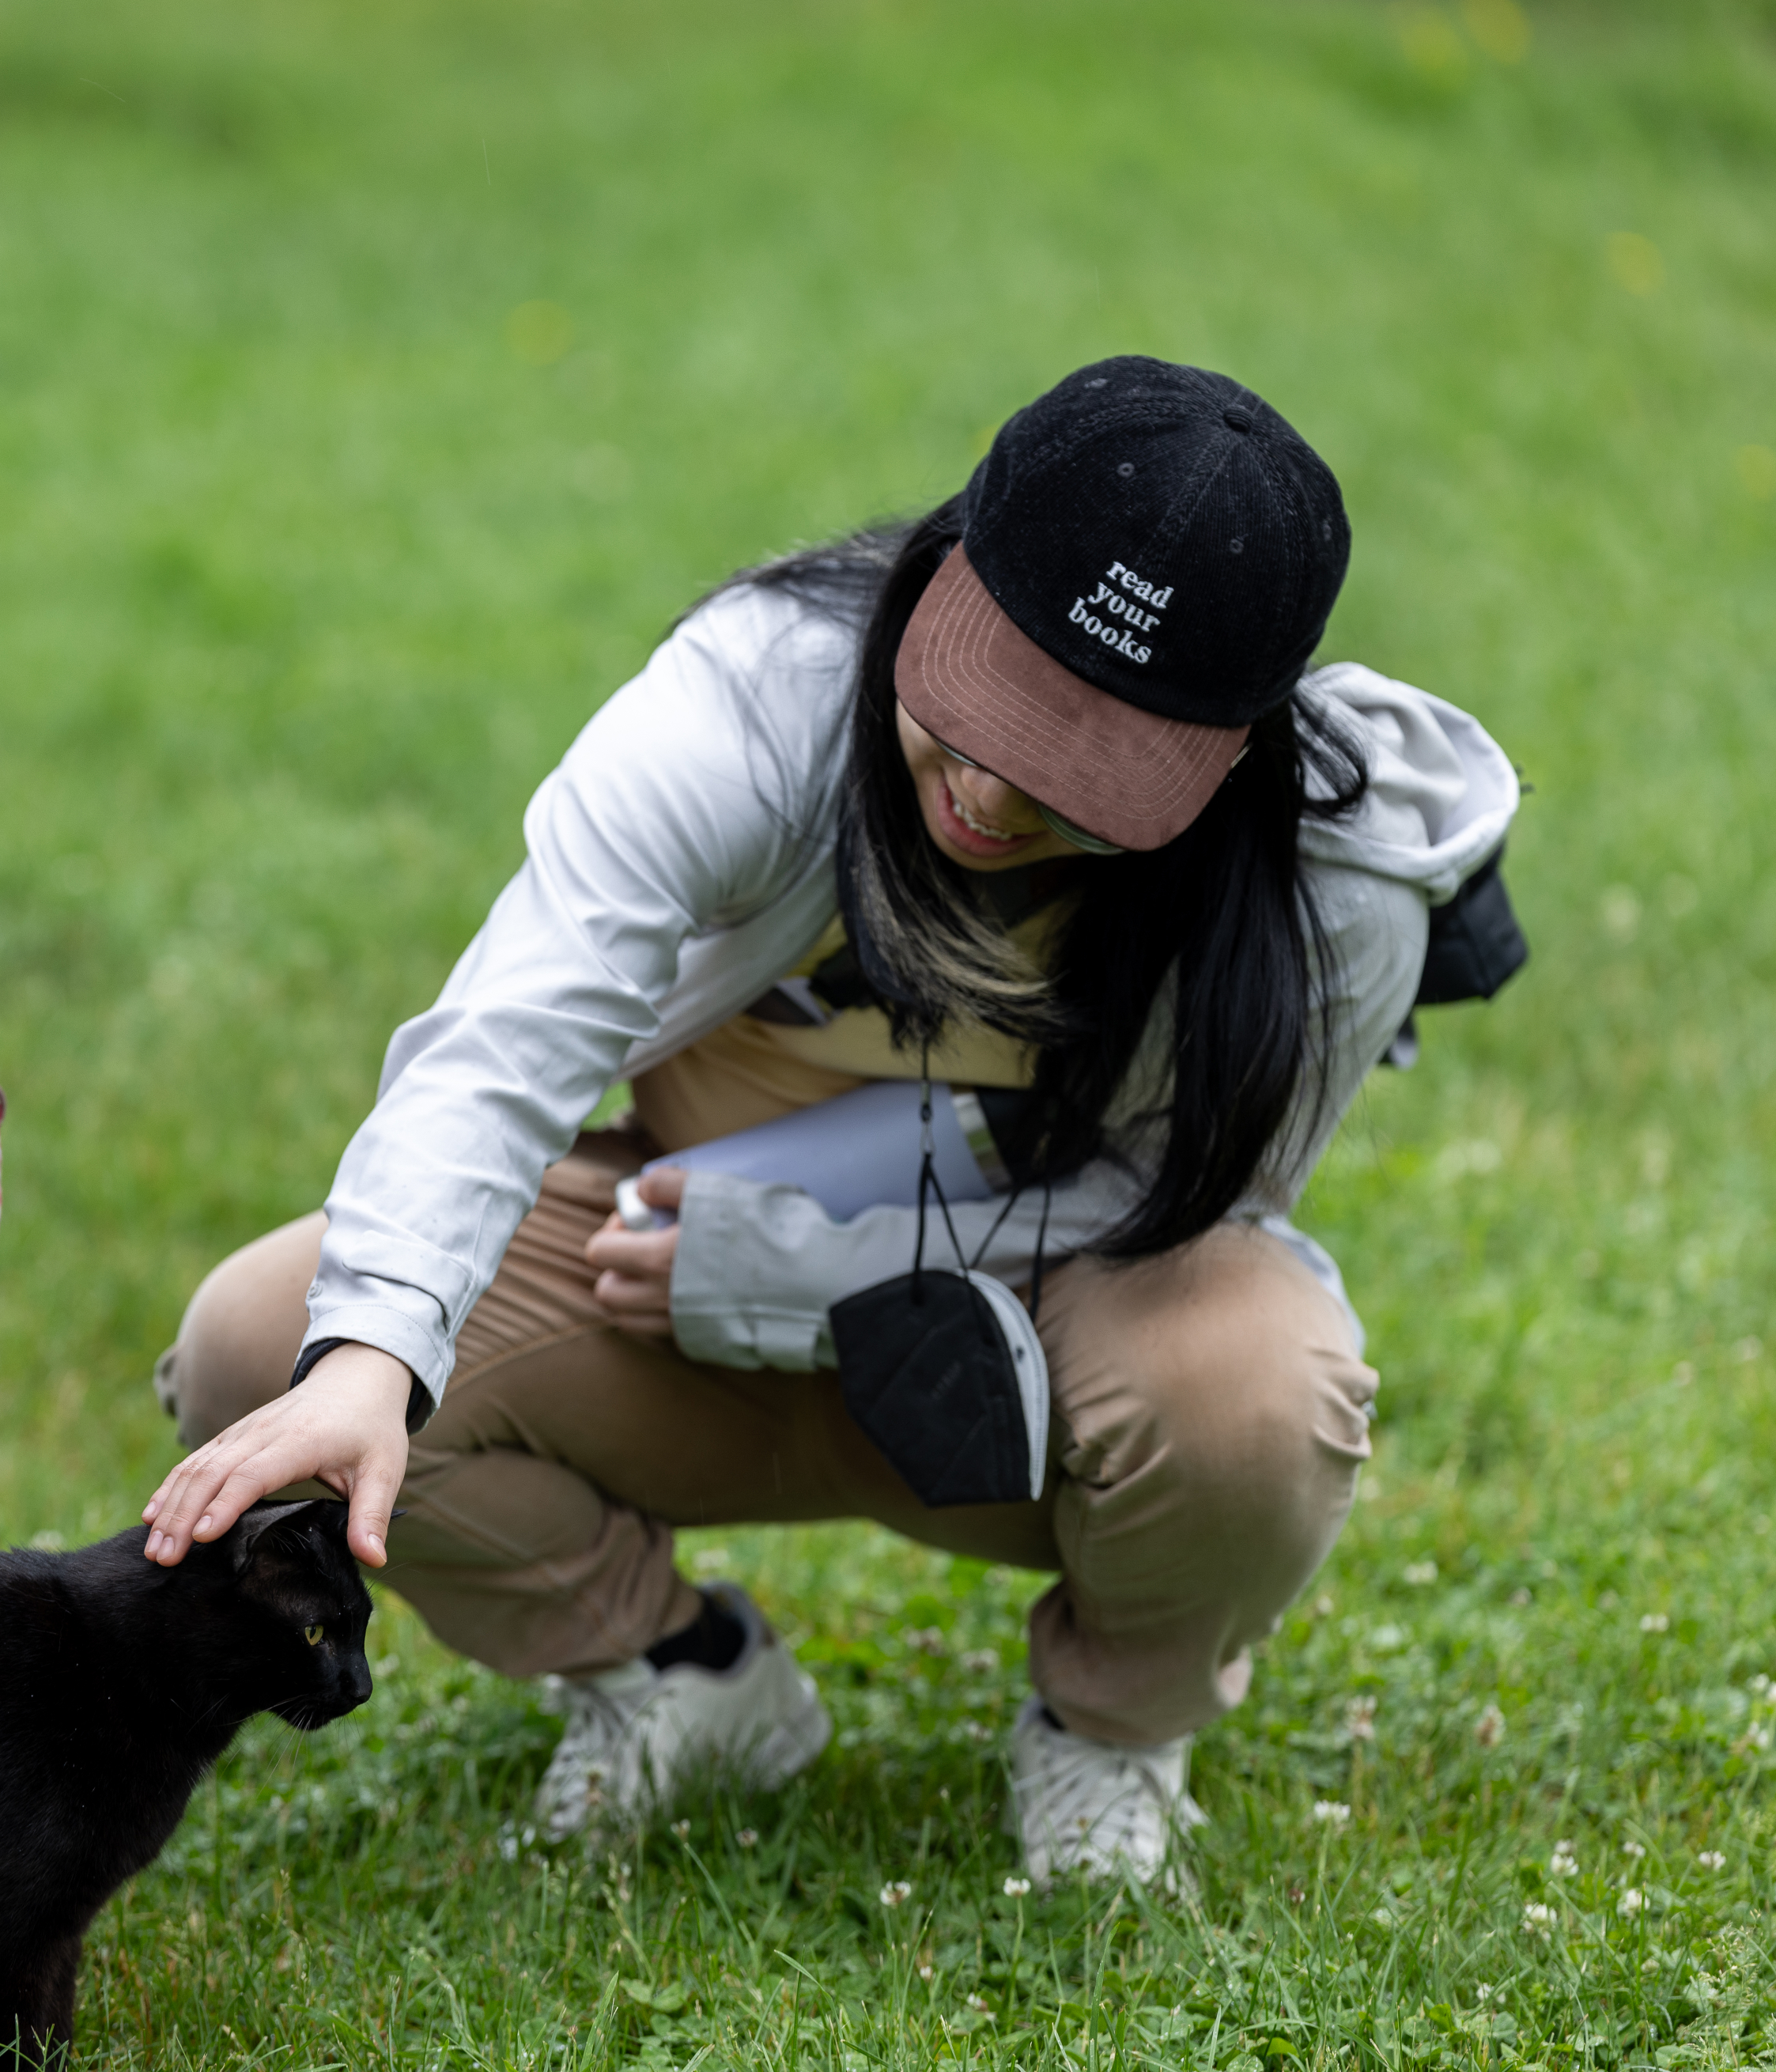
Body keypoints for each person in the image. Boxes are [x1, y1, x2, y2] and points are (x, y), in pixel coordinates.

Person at [143, 357, 1516, 1887]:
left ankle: (1112, 1739)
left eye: (1083, 772)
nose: (991, 794)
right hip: (660, 1267)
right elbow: (509, 1036)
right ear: (947, 570)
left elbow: (1195, 1202)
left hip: (1049, 1341)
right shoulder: (755, 696)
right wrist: (373, 1355)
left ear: (1229, 755)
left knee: (1255, 1388)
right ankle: (681, 1676)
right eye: (984, 705)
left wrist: (807, 1270)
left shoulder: (1340, 880)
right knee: (262, 1346)